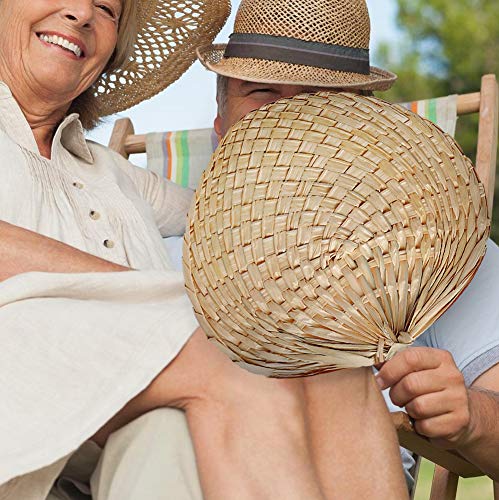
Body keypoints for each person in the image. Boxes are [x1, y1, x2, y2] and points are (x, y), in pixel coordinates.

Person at [0, 1, 410, 500]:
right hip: (23, 385)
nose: (82, 12)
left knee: (326, 362)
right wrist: (151, 302)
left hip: (112, 410)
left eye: (107, 8)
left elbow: (246, 215)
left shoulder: (111, 175)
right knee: (231, 369)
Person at [195, 0, 499, 486]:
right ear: (219, 123)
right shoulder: (159, 247)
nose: (289, 119)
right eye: (261, 92)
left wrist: (471, 418)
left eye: (319, 95)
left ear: (361, 118)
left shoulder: (439, 251)